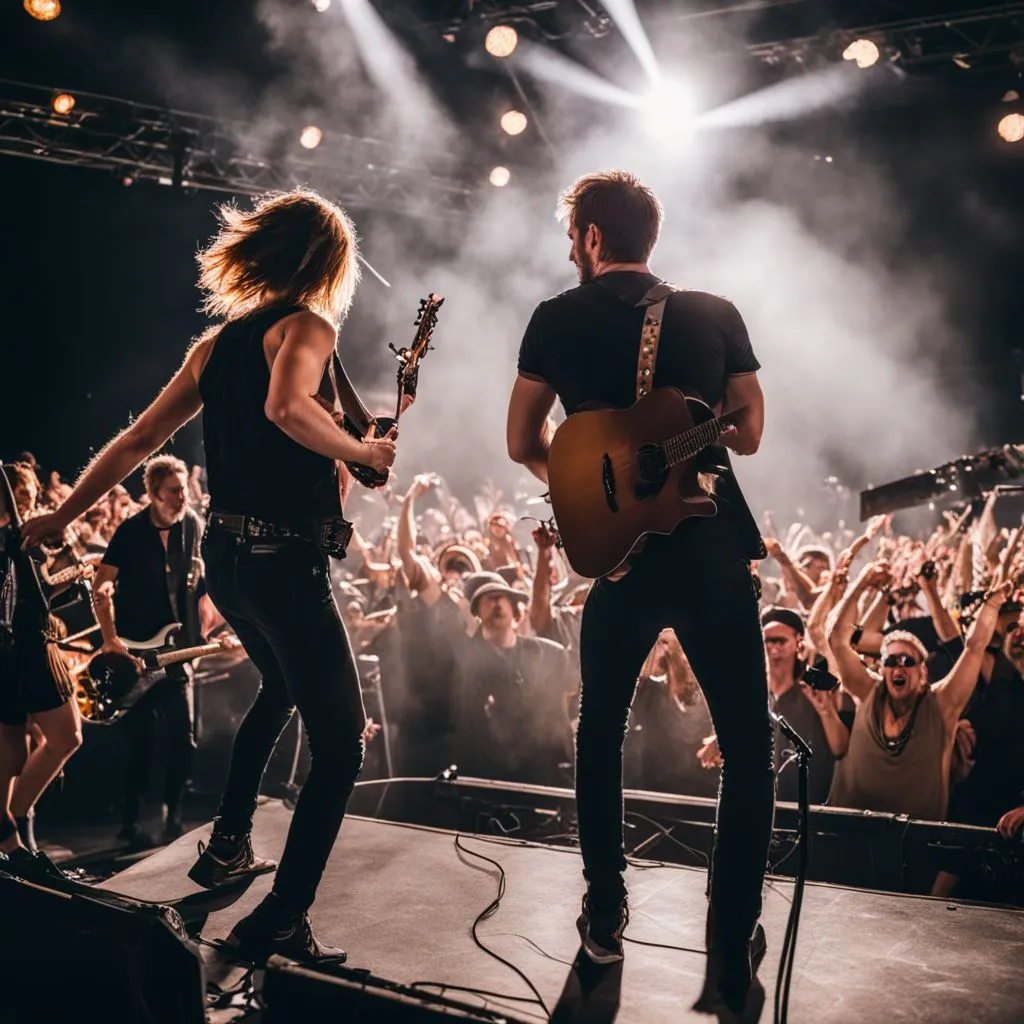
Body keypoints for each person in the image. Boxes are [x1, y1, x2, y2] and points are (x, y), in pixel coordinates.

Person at [22, 188, 399, 966]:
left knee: (283, 688)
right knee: (341, 747)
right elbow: (290, 409)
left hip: (226, 565)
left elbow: (137, 440)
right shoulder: (308, 327)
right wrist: (361, 454)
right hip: (282, 565)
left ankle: (228, 844)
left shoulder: (217, 345)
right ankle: (282, 918)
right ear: (328, 262)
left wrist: (63, 518)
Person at [506, 170, 771, 1014]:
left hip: (617, 559)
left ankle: (603, 907)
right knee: (748, 744)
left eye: (573, 237)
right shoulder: (715, 311)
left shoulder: (554, 317)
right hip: (712, 551)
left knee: (600, 733)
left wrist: (593, 496)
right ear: (649, 237)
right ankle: (732, 925)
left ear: (588, 236)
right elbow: (751, 430)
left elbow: (521, 440)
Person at [828, 561, 1013, 820]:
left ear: (923, 673)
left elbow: (974, 647)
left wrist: (992, 605)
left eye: (907, 662)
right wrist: (862, 583)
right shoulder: (868, 691)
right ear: (882, 669)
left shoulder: (941, 704)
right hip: (848, 836)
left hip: (914, 847)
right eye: (891, 662)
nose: (898, 667)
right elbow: (837, 640)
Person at [91, 455, 208, 848]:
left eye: (184, 491)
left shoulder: (192, 525)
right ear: (153, 494)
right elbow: (101, 586)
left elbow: (202, 585)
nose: (182, 498)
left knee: (183, 737)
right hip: (137, 654)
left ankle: (173, 818)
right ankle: (129, 823)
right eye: (174, 492)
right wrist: (110, 639)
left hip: (176, 653)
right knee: (137, 744)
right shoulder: (129, 532)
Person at [0, 464, 82, 884]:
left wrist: (66, 580)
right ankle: (10, 830)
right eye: (18, 491)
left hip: (30, 644)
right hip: (22, 650)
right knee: (28, 747)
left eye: (29, 491)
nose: (26, 498)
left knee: (23, 748)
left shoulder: (21, 539)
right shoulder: (10, 540)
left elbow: (34, 594)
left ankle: (12, 828)